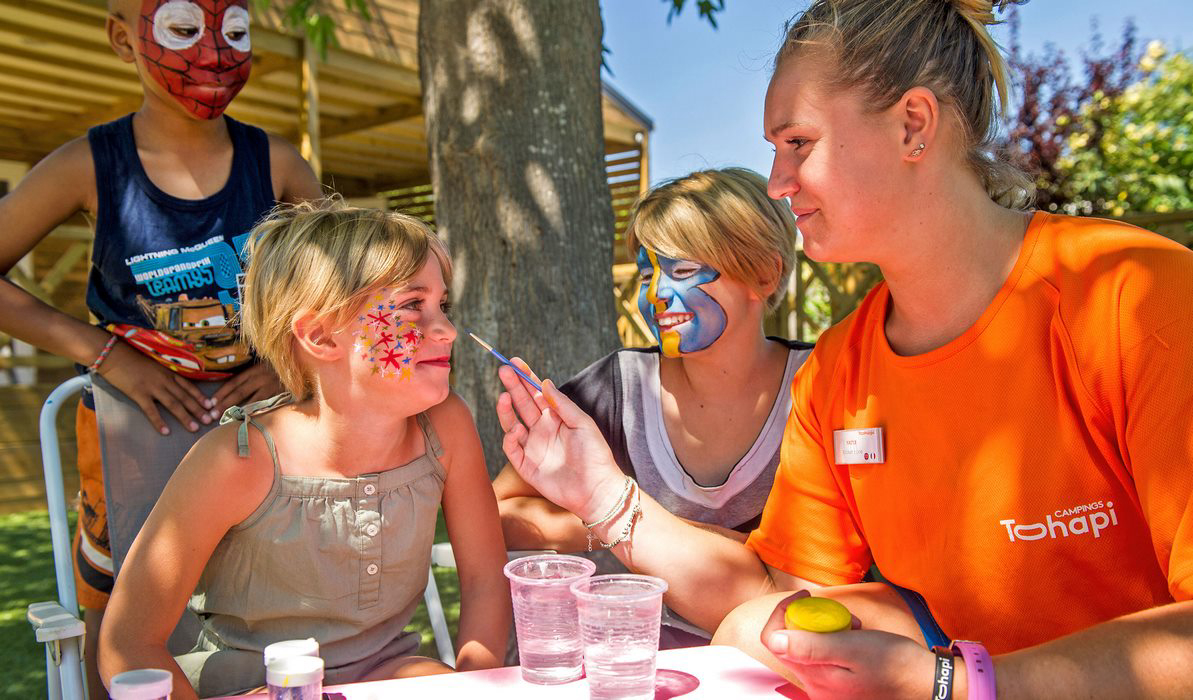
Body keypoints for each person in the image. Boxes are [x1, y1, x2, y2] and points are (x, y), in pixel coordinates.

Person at [492, 1, 1193, 697]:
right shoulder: (838, 371)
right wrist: (602, 495)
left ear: (911, 125)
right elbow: (788, 596)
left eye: (796, 142)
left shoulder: (1136, 295)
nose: (775, 182)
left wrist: (963, 683)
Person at [0, 0, 320, 694]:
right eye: (182, 29)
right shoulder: (89, 165)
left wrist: (280, 360)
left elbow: (340, 288)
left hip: (262, 431)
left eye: (233, 32)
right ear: (123, 39)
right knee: (122, 605)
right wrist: (107, 356)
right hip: (129, 433)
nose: (213, 55)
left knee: (266, 593)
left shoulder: (281, 167)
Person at [98, 202, 512, 698]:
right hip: (252, 687)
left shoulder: (447, 428)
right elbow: (126, 643)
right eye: (410, 306)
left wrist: (473, 686)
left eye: (443, 305)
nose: (444, 329)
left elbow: (487, 580)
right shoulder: (238, 460)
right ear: (319, 335)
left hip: (386, 678)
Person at [493, 168, 812, 643]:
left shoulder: (824, 386)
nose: (657, 294)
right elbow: (498, 513)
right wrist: (610, 524)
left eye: (682, 270)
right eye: (648, 272)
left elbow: (808, 590)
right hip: (636, 664)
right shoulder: (616, 388)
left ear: (764, 273)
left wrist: (632, 522)